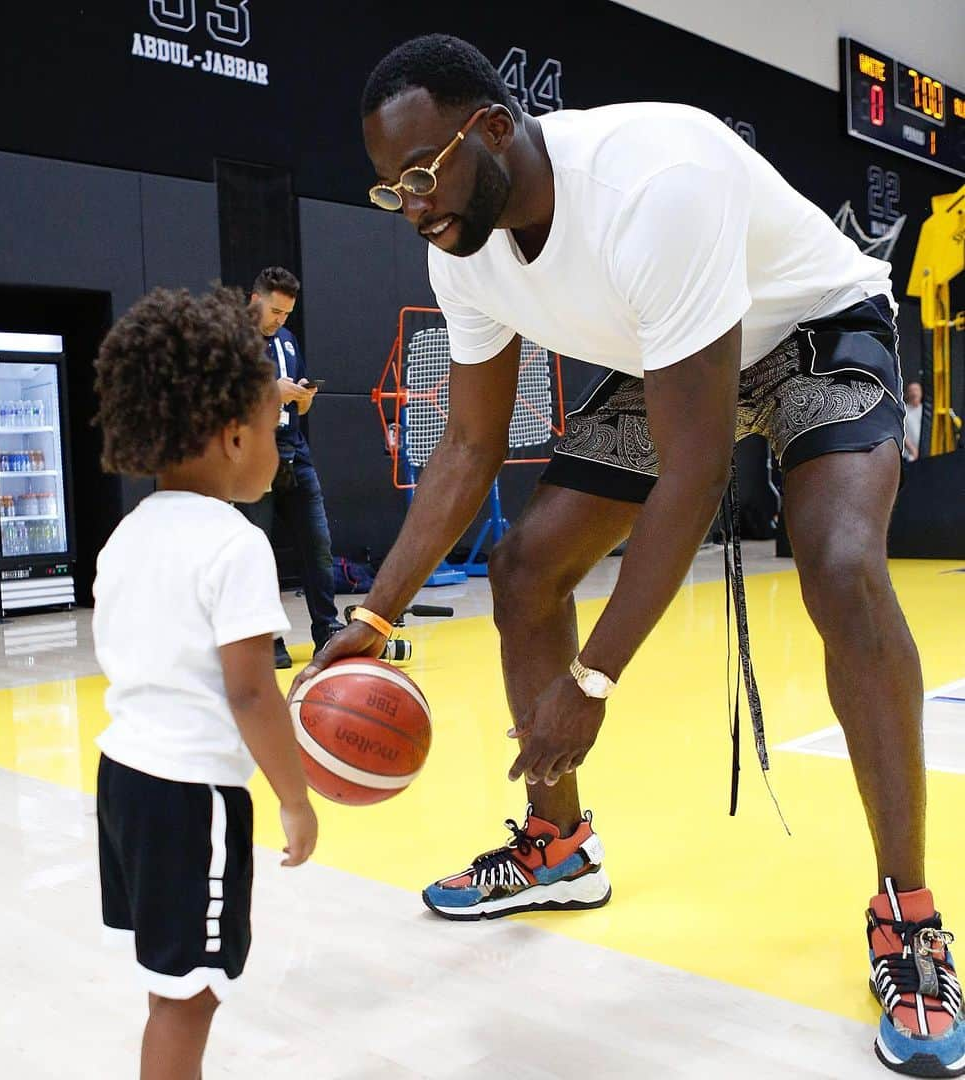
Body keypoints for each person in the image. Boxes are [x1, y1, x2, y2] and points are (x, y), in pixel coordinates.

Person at [297, 34, 962, 1078]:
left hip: (811, 326)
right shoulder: (460, 250)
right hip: (682, 357)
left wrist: (592, 677)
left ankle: (909, 919)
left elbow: (695, 479)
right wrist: (372, 620)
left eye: (422, 174)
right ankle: (557, 846)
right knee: (523, 572)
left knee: (840, 566)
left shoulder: (656, 183)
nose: (415, 205)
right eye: (392, 190)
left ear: (496, 128)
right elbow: (471, 445)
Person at [91, 286, 318, 1080]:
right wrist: (293, 796)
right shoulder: (235, 545)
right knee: (191, 1000)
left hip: (122, 781)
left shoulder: (127, 537)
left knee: (170, 986)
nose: (277, 444)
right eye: (269, 428)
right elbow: (252, 692)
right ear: (230, 438)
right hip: (192, 799)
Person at [240, 266, 343, 668]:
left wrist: (302, 399)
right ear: (255, 301)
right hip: (252, 456)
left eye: (286, 314)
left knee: (318, 544)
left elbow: (294, 397)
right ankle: (267, 639)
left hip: (295, 451)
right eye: (275, 312)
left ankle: (328, 632)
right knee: (258, 553)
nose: (280, 320)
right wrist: (270, 392)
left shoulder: (287, 340)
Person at [904, 380, 924, 462]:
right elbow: (902, 433)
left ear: (921, 393)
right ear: (907, 394)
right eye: (911, 391)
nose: (914, 393)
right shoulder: (903, 411)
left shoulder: (926, 411)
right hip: (909, 456)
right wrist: (913, 450)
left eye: (916, 390)